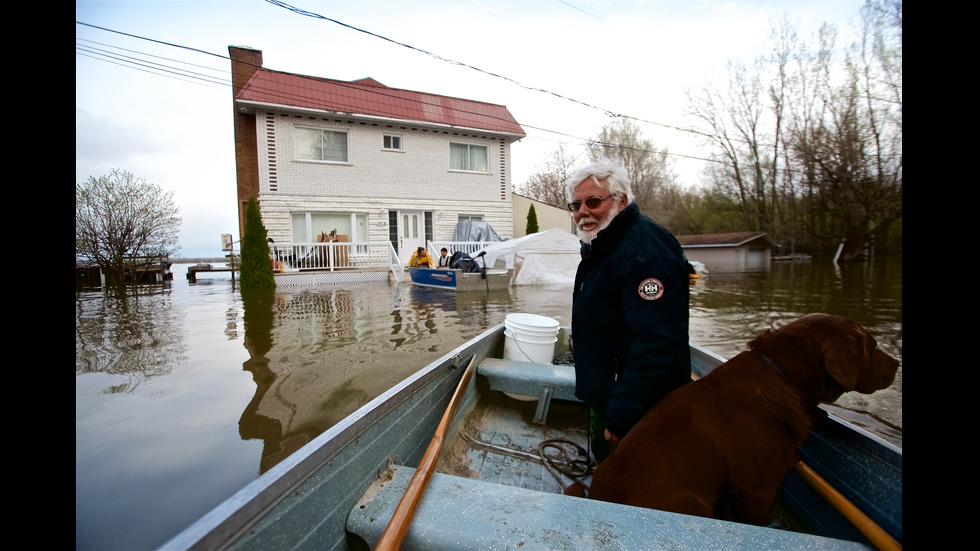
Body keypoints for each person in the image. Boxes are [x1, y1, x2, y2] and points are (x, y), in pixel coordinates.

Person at [566, 158, 692, 462]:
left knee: (629, 479)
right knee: (603, 461)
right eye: (575, 205)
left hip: (636, 406)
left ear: (621, 201)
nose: (582, 212)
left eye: (593, 202)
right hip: (606, 390)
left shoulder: (645, 253)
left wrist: (624, 412)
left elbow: (658, 343)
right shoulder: (604, 244)